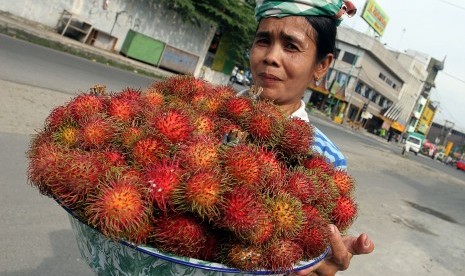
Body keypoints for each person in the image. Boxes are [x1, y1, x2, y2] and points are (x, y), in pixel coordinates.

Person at [248, 1, 375, 274]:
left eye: (291, 46)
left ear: (322, 66)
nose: (271, 56)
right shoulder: (201, 113)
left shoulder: (327, 161)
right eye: (263, 40)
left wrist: (320, 266)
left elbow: (313, 248)